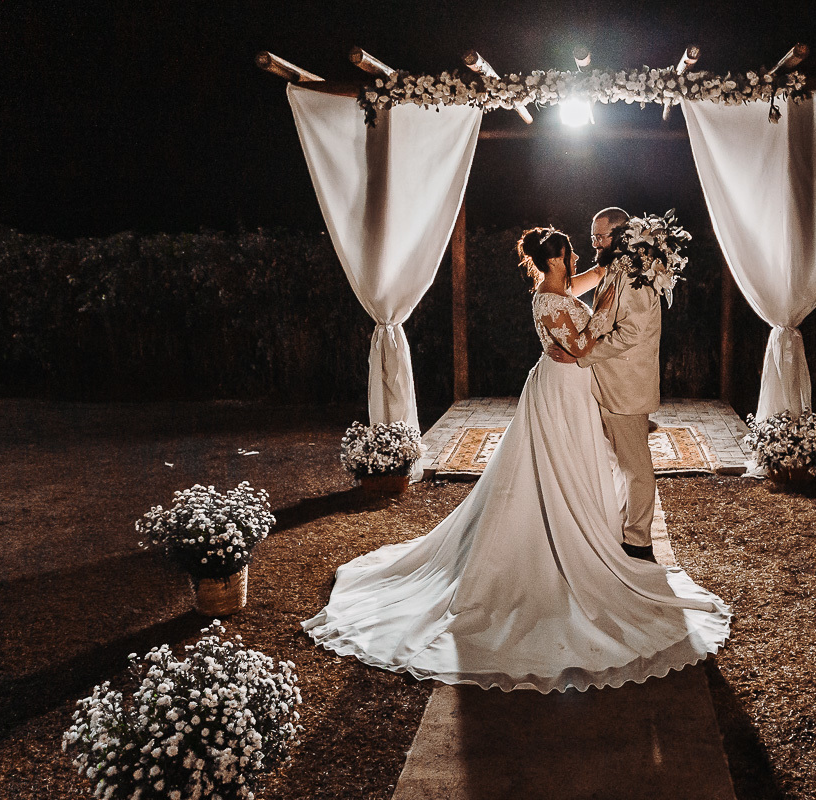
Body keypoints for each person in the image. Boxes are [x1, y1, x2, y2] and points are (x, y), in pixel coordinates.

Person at [302, 227, 730, 693]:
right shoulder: (550, 301)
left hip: (571, 390)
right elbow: (579, 349)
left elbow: (590, 281)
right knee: (557, 465)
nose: (578, 257)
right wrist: (606, 317)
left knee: (574, 464)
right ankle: (562, 542)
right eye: (572, 252)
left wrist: (623, 264)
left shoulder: (559, 289)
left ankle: (583, 527)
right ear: (558, 259)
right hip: (561, 391)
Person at [549, 207, 661, 563]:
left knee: (636, 467)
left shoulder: (636, 275)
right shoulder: (615, 268)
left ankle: (639, 542)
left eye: (601, 237)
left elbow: (631, 333)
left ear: (621, 235)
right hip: (607, 383)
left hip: (627, 387)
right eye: (593, 237)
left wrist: (581, 356)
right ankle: (619, 526)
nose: (595, 243)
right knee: (616, 463)